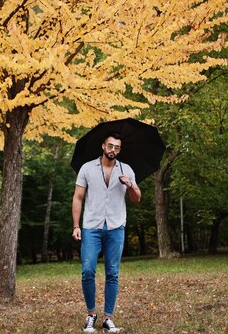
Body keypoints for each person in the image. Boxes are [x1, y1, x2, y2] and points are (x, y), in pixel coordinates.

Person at [72, 132, 142, 333]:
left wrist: (130, 185)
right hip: (91, 226)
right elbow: (77, 197)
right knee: (87, 270)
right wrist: (76, 225)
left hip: (115, 227)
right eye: (110, 146)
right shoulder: (87, 168)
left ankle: (108, 318)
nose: (113, 150)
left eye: (117, 147)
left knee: (113, 273)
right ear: (103, 146)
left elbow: (137, 198)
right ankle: (91, 314)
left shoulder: (126, 170)